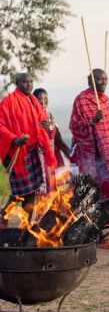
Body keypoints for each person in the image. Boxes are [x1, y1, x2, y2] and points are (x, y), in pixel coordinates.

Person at [69, 69, 109, 248]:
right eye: (99, 79)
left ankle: (96, 231)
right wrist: (92, 122)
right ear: (90, 81)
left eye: (105, 78)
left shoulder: (105, 100)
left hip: (107, 158)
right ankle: (94, 236)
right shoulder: (82, 100)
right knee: (90, 199)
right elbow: (74, 127)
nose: (103, 82)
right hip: (90, 159)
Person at [0, 73, 55, 217]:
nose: (29, 85)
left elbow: (45, 121)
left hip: (33, 151)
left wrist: (45, 124)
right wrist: (13, 138)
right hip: (18, 153)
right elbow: (1, 126)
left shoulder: (33, 101)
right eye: (25, 82)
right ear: (17, 84)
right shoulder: (8, 102)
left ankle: (25, 228)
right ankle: (5, 214)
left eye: (31, 82)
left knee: (31, 191)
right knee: (20, 192)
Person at [32, 88, 70, 172]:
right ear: (34, 100)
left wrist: (51, 126)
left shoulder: (49, 115)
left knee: (52, 181)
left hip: (52, 153)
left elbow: (53, 131)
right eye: (40, 99)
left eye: (45, 99)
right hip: (39, 155)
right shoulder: (32, 116)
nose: (43, 101)